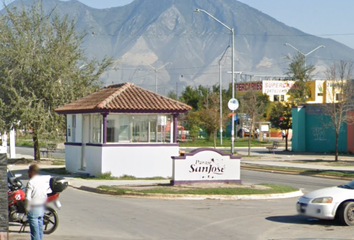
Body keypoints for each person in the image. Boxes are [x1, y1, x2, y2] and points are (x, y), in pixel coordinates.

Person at [25, 165, 50, 240]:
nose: (28, 174)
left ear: (32, 172)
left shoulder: (31, 182)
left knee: (34, 232)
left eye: (28, 172)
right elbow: (45, 194)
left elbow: (27, 198)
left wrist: (26, 208)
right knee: (39, 229)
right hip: (41, 207)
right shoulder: (42, 181)